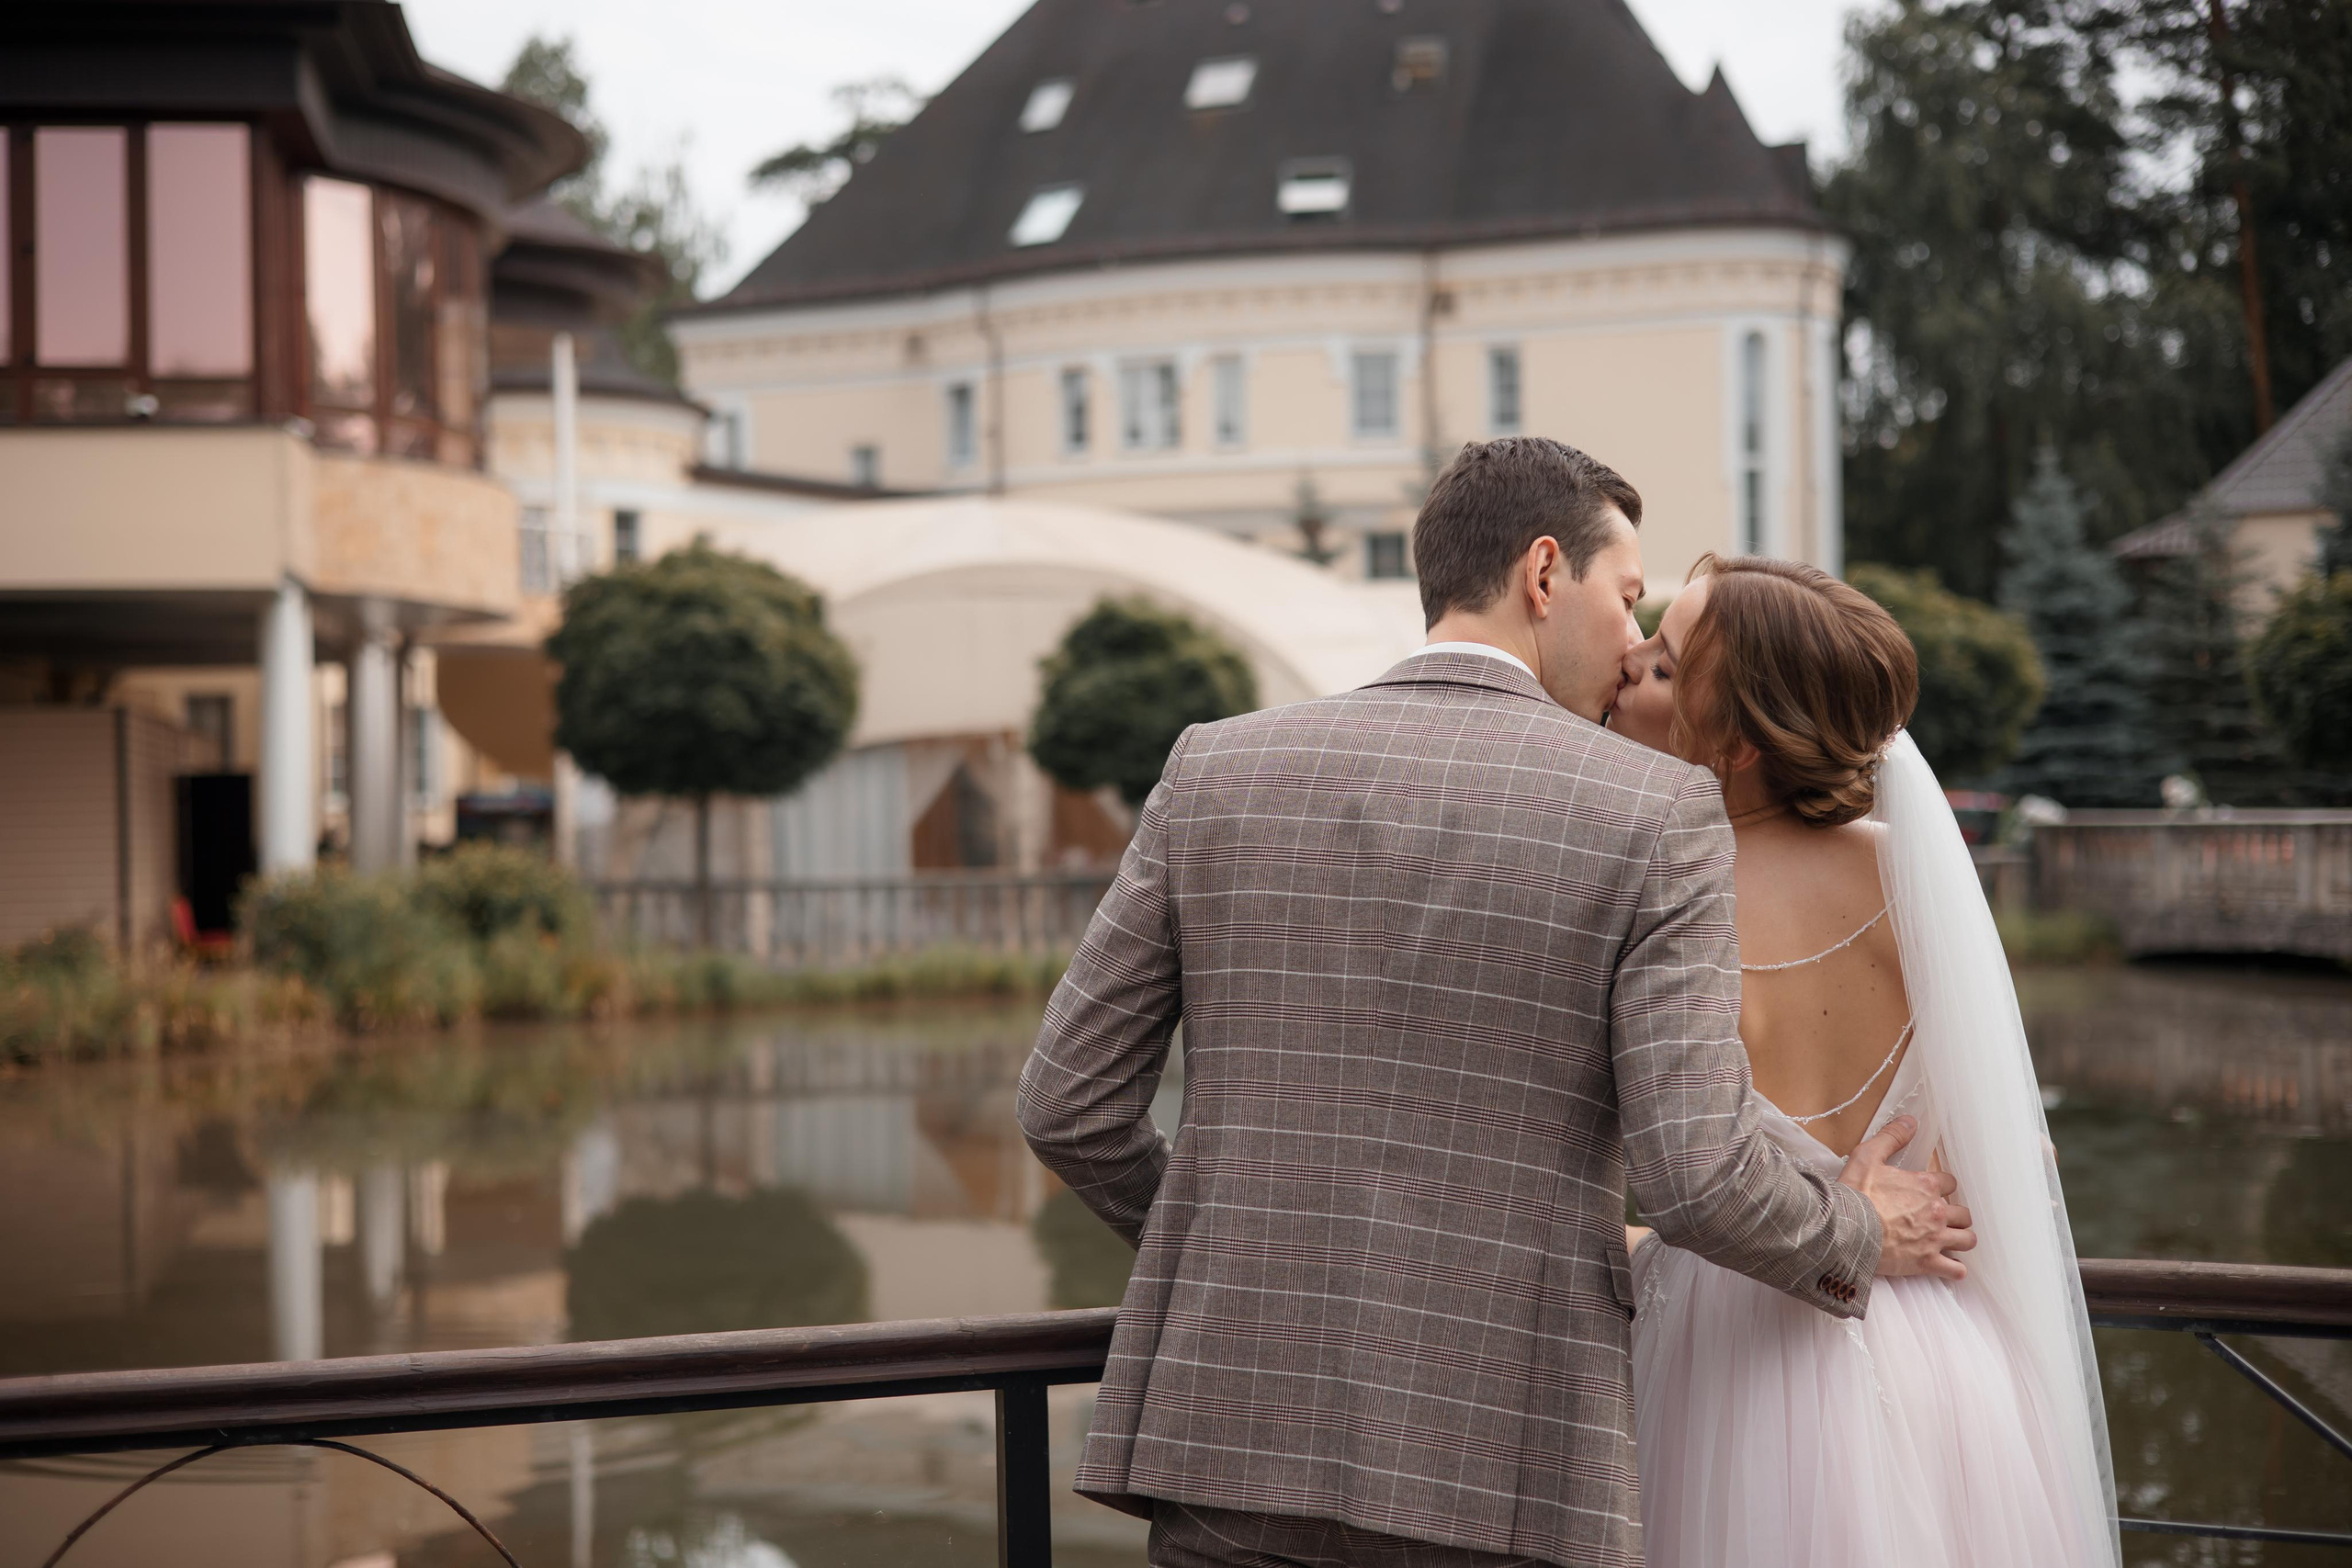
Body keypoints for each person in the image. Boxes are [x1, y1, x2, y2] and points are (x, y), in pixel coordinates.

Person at [1017, 437, 1973, 1568]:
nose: (1632, 644)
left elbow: (1065, 1105)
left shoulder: (1217, 767)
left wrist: (1236, 1247)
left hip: (1228, 1438)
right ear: (1540, 575)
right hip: (1502, 1462)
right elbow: (1695, 1172)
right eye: (1627, 600)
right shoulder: (1653, 813)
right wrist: (1860, 1232)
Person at [1608, 555, 2118, 1568]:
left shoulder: (1660, 886)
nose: (1627, 662)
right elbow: (2025, 1161)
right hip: (1943, 1353)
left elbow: (1659, 1173)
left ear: (1741, 742)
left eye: (1663, 666)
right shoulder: (1910, 871)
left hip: (1735, 1356)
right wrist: (1898, 1200)